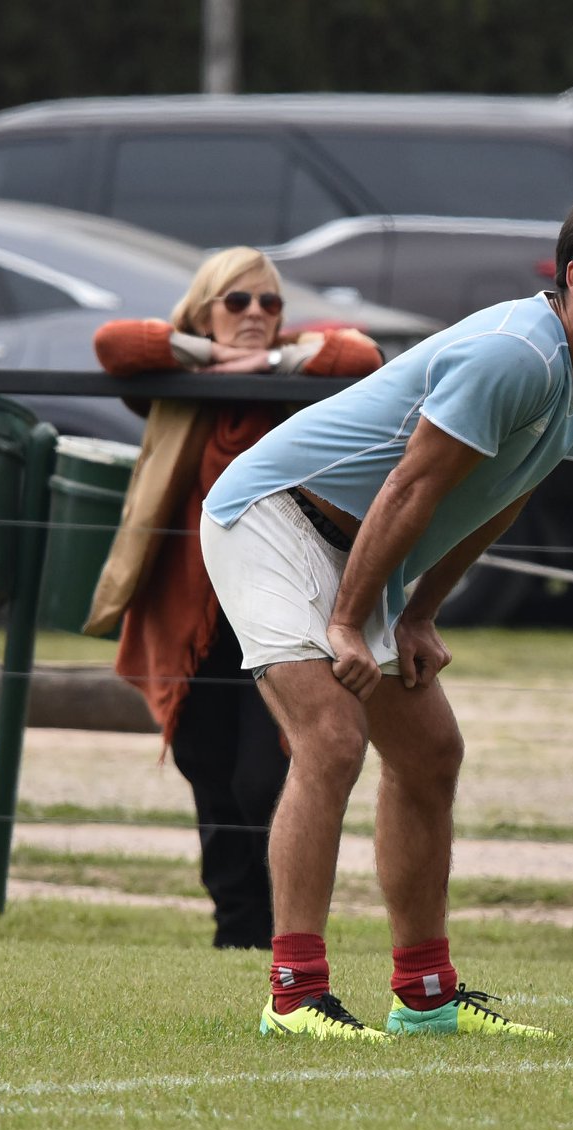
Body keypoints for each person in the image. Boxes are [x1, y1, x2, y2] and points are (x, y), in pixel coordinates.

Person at [200, 177, 573, 1040]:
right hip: (274, 517)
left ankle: (424, 996)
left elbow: (505, 491)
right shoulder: (516, 354)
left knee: (430, 754)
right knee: (332, 738)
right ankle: (294, 994)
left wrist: (420, 612)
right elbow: (410, 487)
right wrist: (348, 624)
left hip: (365, 549)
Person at [84, 247, 382, 950]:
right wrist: (207, 354)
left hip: (279, 611)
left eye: (269, 304)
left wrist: (270, 362)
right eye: (237, 301)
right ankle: (234, 933)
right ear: (203, 311)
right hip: (192, 618)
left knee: (264, 775)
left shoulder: (298, 375)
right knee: (207, 769)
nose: (255, 314)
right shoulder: (176, 378)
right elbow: (113, 344)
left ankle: (281, 930)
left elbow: (362, 356)